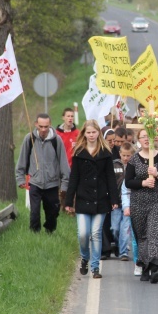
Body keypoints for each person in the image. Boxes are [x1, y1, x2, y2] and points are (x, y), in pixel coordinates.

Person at [65, 119, 119, 279]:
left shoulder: (105, 153)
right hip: (83, 198)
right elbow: (73, 177)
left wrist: (114, 199)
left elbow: (110, 177)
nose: (91, 135)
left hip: (101, 199)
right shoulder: (79, 152)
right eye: (88, 132)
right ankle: (84, 258)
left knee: (95, 233)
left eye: (94, 132)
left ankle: (95, 267)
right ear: (84, 133)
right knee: (83, 233)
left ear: (98, 133)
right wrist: (69, 201)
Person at [125, 129, 158, 283]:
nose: (146, 139)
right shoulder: (134, 159)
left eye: (149, 136)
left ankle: (154, 268)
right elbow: (128, 182)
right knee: (142, 236)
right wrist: (143, 182)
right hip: (139, 202)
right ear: (138, 139)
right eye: (143, 136)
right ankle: (145, 267)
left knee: (154, 234)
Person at [16, 113, 70, 234]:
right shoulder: (29, 139)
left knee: (52, 213)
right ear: (36, 125)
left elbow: (64, 164)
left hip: (52, 183)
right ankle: (35, 235)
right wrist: (20, 179)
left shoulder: (56, 140)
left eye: (46, 126)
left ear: (50, 125)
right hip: (35, 182)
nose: (43, 129)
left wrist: (65, 185)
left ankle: (49, 231)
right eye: (41, 126)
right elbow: (22, 161)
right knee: (34, 213)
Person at [111, 141, 135, 261]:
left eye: (128, 155)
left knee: (125, 228)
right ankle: (117, 244)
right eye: (124, 155)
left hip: (129, 202)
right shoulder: (114, 165)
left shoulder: (134, 166)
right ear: (120, 154)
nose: (126, 158)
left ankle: (123, 252)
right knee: (114, 228)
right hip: (116, 202)